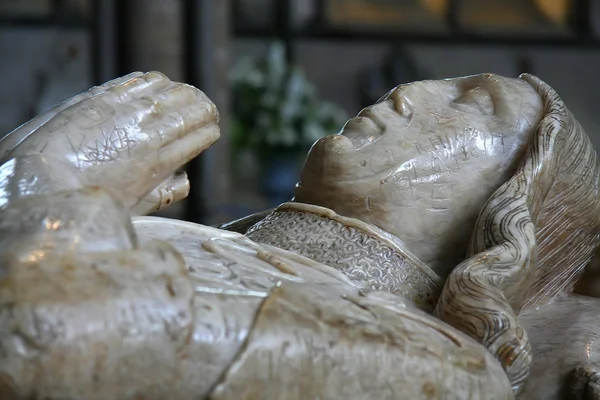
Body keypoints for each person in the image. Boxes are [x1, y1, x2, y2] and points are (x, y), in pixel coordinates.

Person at [0, 71, 597, 399]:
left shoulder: (435, 368)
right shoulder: (177, 231)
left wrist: (45, 170)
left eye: (473, 103)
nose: (408, 93)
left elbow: (36, 336)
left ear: (513, 204)